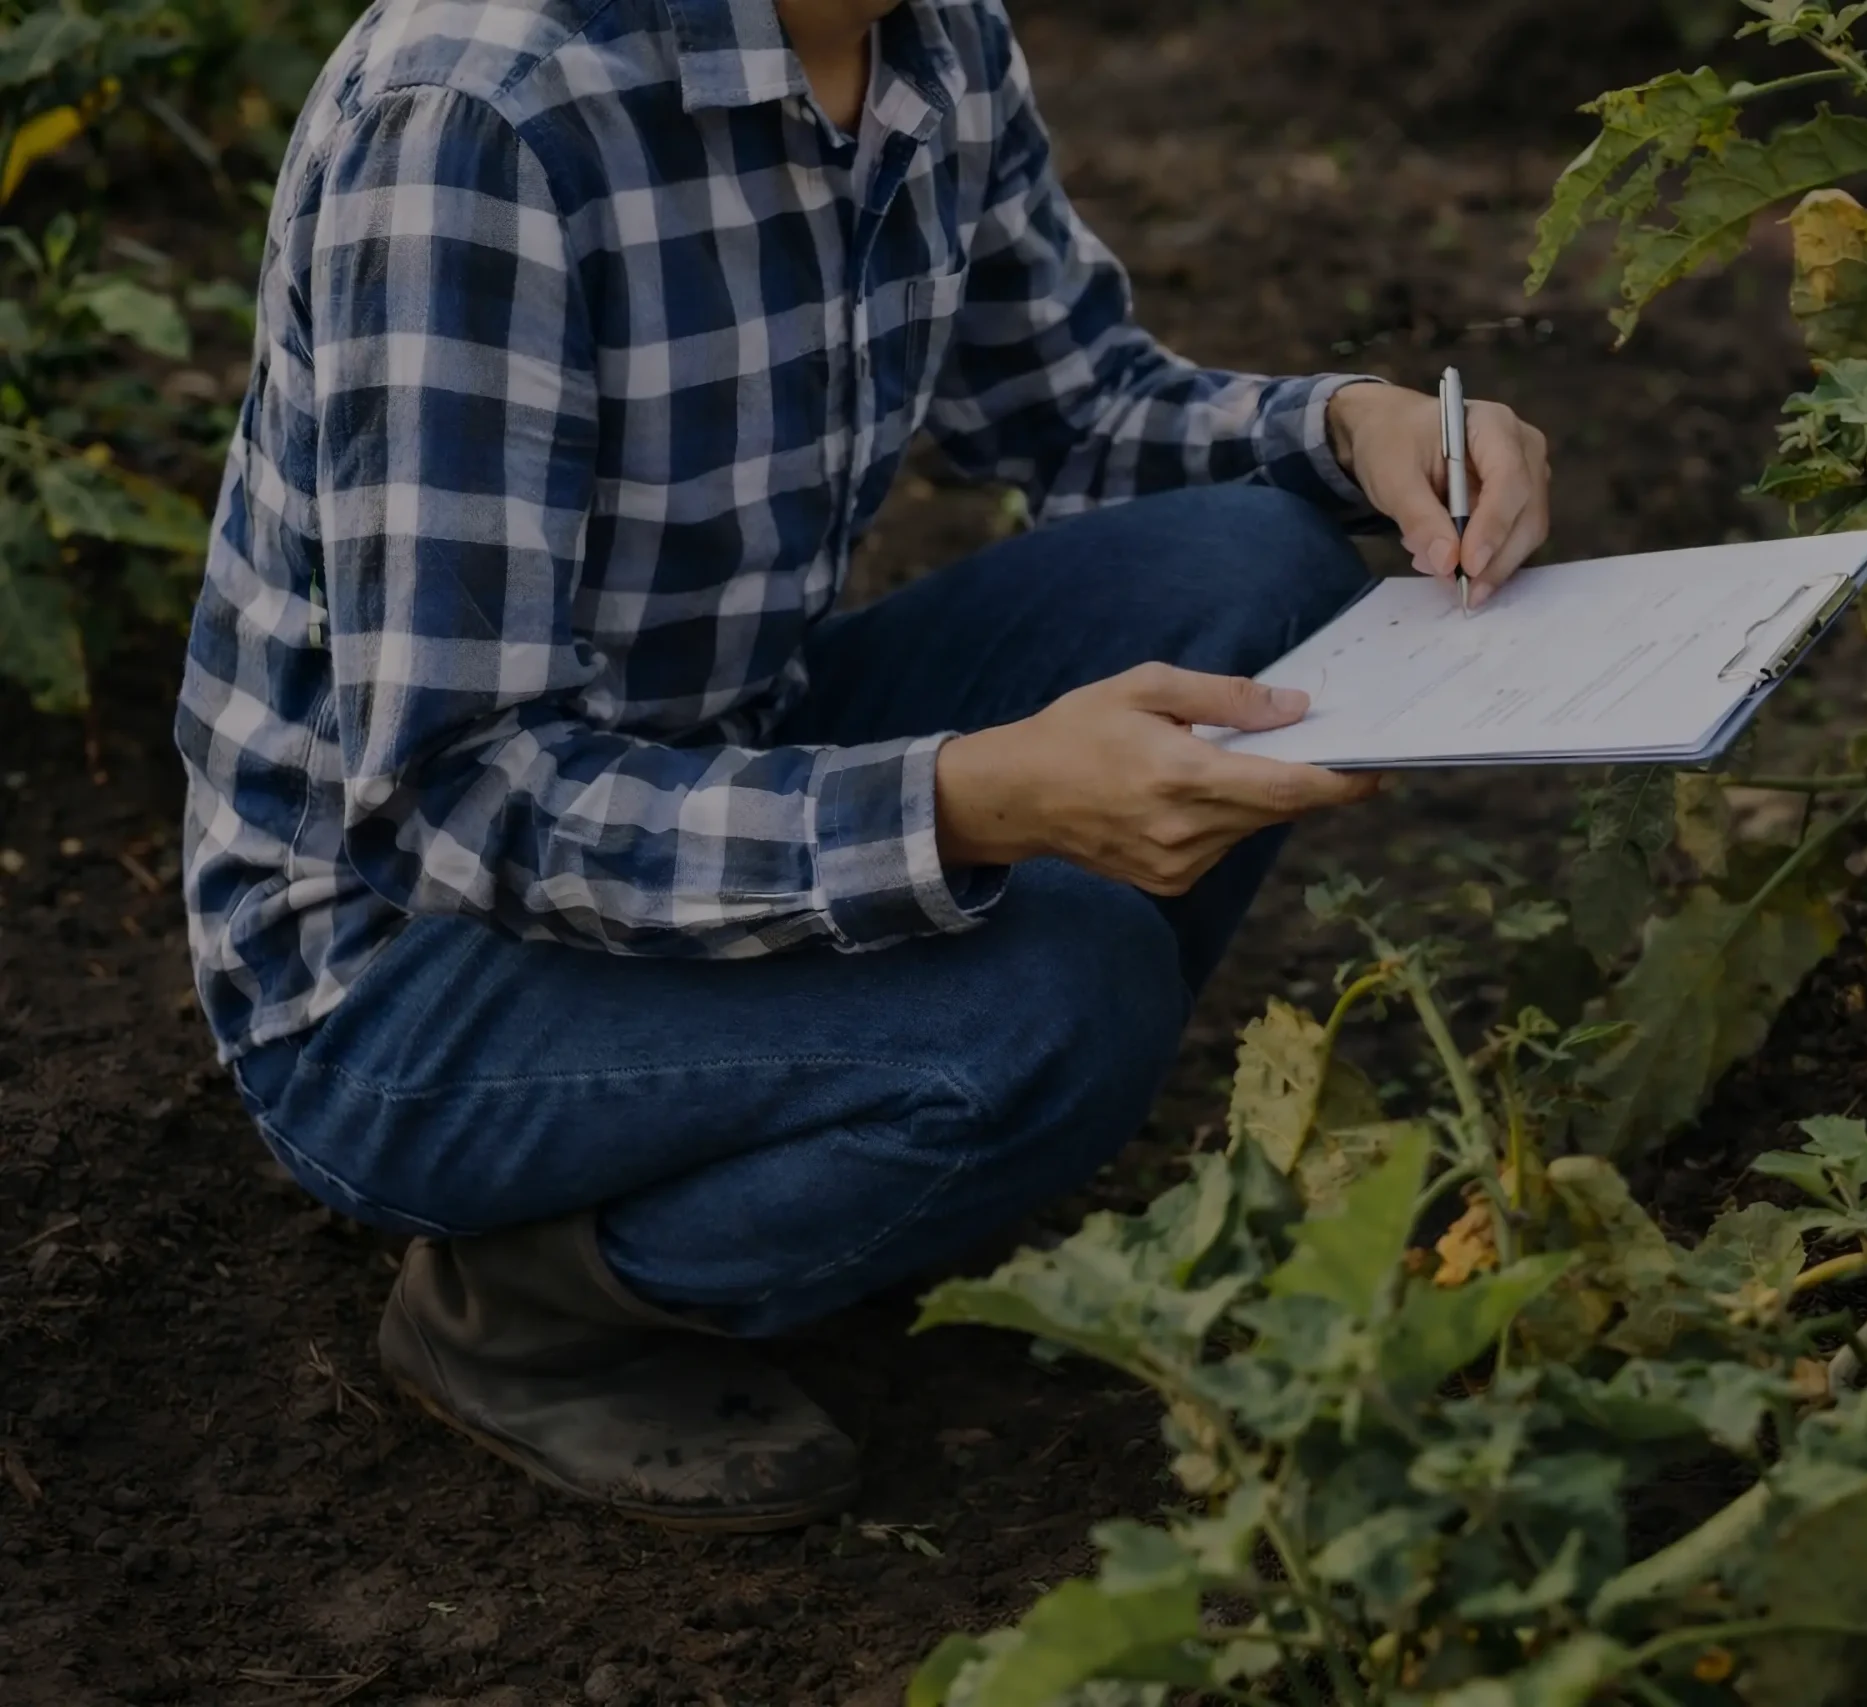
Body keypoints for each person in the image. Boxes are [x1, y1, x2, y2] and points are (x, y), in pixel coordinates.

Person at [175, 0, 1553, 1530]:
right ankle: (531, 1304)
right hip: (399, 969)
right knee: (1070, 985)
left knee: (1258, 561)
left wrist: (1352, 427)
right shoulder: (481, 119)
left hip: (718, 753)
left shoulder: (925, 38)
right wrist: (962, 806)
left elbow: (1077, 405)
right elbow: (458, 791)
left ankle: (911, 1112)